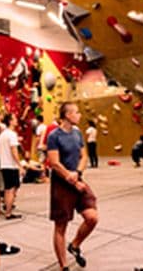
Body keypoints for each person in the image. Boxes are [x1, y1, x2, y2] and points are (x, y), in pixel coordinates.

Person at [48, 102, 99, 270]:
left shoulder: (77, 133)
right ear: (68, 115)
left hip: (77, 178)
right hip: (61, 185)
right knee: (61, 226)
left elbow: (83, 156)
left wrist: (77, 172)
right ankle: (63, 266)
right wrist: (71, 178)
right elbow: (54, 163)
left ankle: (75, 245)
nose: (79, 115)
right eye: (76, 112)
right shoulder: (54, 136)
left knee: (92, 217)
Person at [0, 114, 24, 219]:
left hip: (4, 164)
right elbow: (14, 151)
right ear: (10, 121)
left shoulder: (2, 135)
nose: (16, 120)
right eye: (14, 119)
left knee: (7, 189)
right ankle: (8, 212)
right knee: (12, 189)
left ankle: (7, 209)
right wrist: (19, 165)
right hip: (11, 165)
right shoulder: (12, 134)